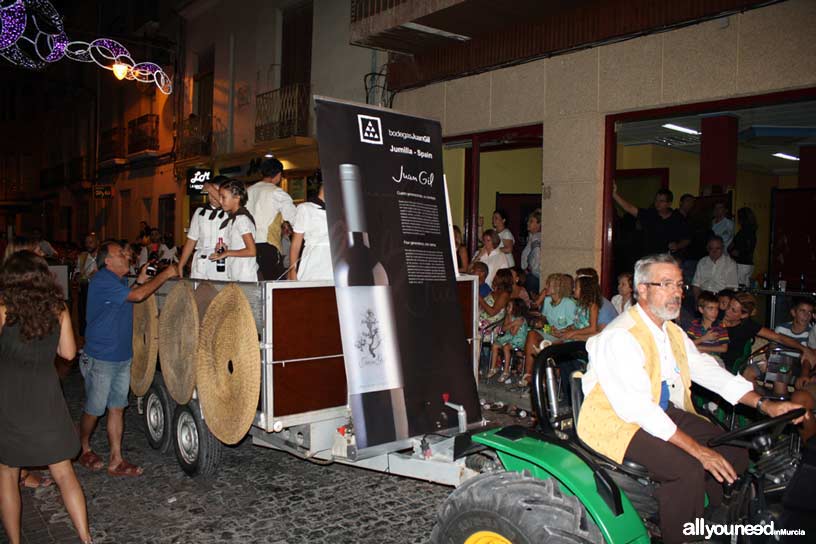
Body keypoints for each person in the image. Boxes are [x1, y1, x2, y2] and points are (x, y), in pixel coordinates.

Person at [576, 254, 805, 544]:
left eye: (680, 284)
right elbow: (638, 410)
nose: (677, 292)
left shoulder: (670, 330)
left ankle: (718, 521)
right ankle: (684, 536)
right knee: (686, 469)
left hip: (657, 409)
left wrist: (765, 404)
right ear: (642, 289)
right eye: (667, 284)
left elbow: (707, 370)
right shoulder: (620, 336)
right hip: (616, 420)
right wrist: (699, 451)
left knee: (734, 448)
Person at [0, 252, 92, 544]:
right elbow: (68, 353)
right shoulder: (58, 308)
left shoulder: (2, 308)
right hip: (45, 396)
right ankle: (86, 538)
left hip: (8, 396)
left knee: (6, 474)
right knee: (64, 473)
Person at [78, 241, 177, 477]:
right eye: (119, 253)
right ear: (108, 262)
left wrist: (141, 278)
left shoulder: (117, 281)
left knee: (117, 408)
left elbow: (130, 295)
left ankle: (116, 459)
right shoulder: (102, 280)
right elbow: (138, 295)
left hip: (121, 356)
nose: (125, 255)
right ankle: (81, 447)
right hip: (102, 357)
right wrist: (166, 274)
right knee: (94, 409)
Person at [720, 292, 816, 375]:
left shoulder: (748, 325)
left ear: (744, 315)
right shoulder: (717, 316)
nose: (727, 311)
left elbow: (779, 338)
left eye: (733, 310)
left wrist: (803, 349)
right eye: (728, 306)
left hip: (728, 365)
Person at [520, 274, 578, 387]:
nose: (545, 287)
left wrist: (560, 332)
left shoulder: (568, 303)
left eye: (548, 284)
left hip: (565, 337)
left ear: (557, 287)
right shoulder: (547, 301)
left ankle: (545, 380)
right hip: (551, 334)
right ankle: (528, 374)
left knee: (544, 346)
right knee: (532, 334)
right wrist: (543, 325)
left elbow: (574, 326)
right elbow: (545, 321)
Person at [246, 158, 296, 280]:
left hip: (247, 244)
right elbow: (294, 218)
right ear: (278, 175)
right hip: (268, 244)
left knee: (256, 282)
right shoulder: (277, 193)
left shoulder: (249, 191)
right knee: (275, 284)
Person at [612, 184, 690, 259]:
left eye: (661, 201)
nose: (657, 203)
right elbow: (629, 208)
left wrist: (677, 245)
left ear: (669, 204)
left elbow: (687, 239)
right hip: (649, 259)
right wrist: (614, 194)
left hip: (668, 261)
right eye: (656, 200)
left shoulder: (677, 218)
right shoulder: (650, 215)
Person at [177, 176, 228, 280]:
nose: (212, 196)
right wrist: (181, 264)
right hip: (201, 262)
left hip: (221, 261)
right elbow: (191, 239)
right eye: (210, 193)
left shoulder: (230, 213)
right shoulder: (200, 212)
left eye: (216, 193)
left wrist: (210, 188)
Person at [211, 180, 258, 282]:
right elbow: (238, 246)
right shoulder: (233, 219)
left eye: (223, 197)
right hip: (237, 274)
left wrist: (227, 253)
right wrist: (224, 248)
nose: (220, 200)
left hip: (245, 276)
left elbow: (251, 251)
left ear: (237, 198)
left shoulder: (241, 219)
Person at [288, 181, 332, 281]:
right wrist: (292, 271)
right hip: (313, 264)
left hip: (336, 266)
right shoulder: (305, 208)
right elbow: (296, 244)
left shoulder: (340, 211)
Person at [486, 298, 529, 383]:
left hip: (518, 339)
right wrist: (512, 322)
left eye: (509, 306)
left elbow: (513, 332)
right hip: (510, 337)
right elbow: (504, 329)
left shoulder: (520, 319)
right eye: (507, 306)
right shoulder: (509, 317)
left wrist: (512, 324)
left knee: (506, 347)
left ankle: (506, 371)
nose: (507, 308)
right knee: (495, 345)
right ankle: (493, 367)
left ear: (516, 308)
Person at [691, 236, 738, 302]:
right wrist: (697, 301)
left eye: (718, 248)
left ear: (723, 248)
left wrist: (718, 302)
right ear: (707, 249)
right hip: (703, 296)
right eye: (711, 248)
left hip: (719, 298)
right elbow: (696, 285)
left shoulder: (730, 263)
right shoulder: (702, 261)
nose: (714, 251)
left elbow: (731, 288)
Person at [685, 291, 729, 360]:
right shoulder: (694, 324)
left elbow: (724, 348)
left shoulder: (720, 326)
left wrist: (700, 348)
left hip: (714, 358)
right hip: (696, 357)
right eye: (711, 308)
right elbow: (687, 344)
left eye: (716, 308)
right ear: (701, 310)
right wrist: (704, 338)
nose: (715, 312)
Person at [74, 234, 99, 337]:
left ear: (97, 242)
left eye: (91, 242)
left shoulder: (103, 256)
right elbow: (77, 272)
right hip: (85, 289)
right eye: (86, 242)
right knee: (84, 316)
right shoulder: (82, 257)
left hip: (99, 290)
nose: (88, 245)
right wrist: (79, 277)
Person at [728, 207, 758, 287]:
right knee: (744, 287)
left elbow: (732, 246)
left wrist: (737, 252)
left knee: (740, 287)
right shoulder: (750, 230)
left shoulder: (744, 231)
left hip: (742, 263)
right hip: (747, 263)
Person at [519, 209, 541, 295]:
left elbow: (537, 255)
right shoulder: (532, 237)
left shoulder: (536, 238)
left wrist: (528, 270)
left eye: (531, 221)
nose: (528, 223)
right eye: (528, 221)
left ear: (539, 224)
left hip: (533, 277)